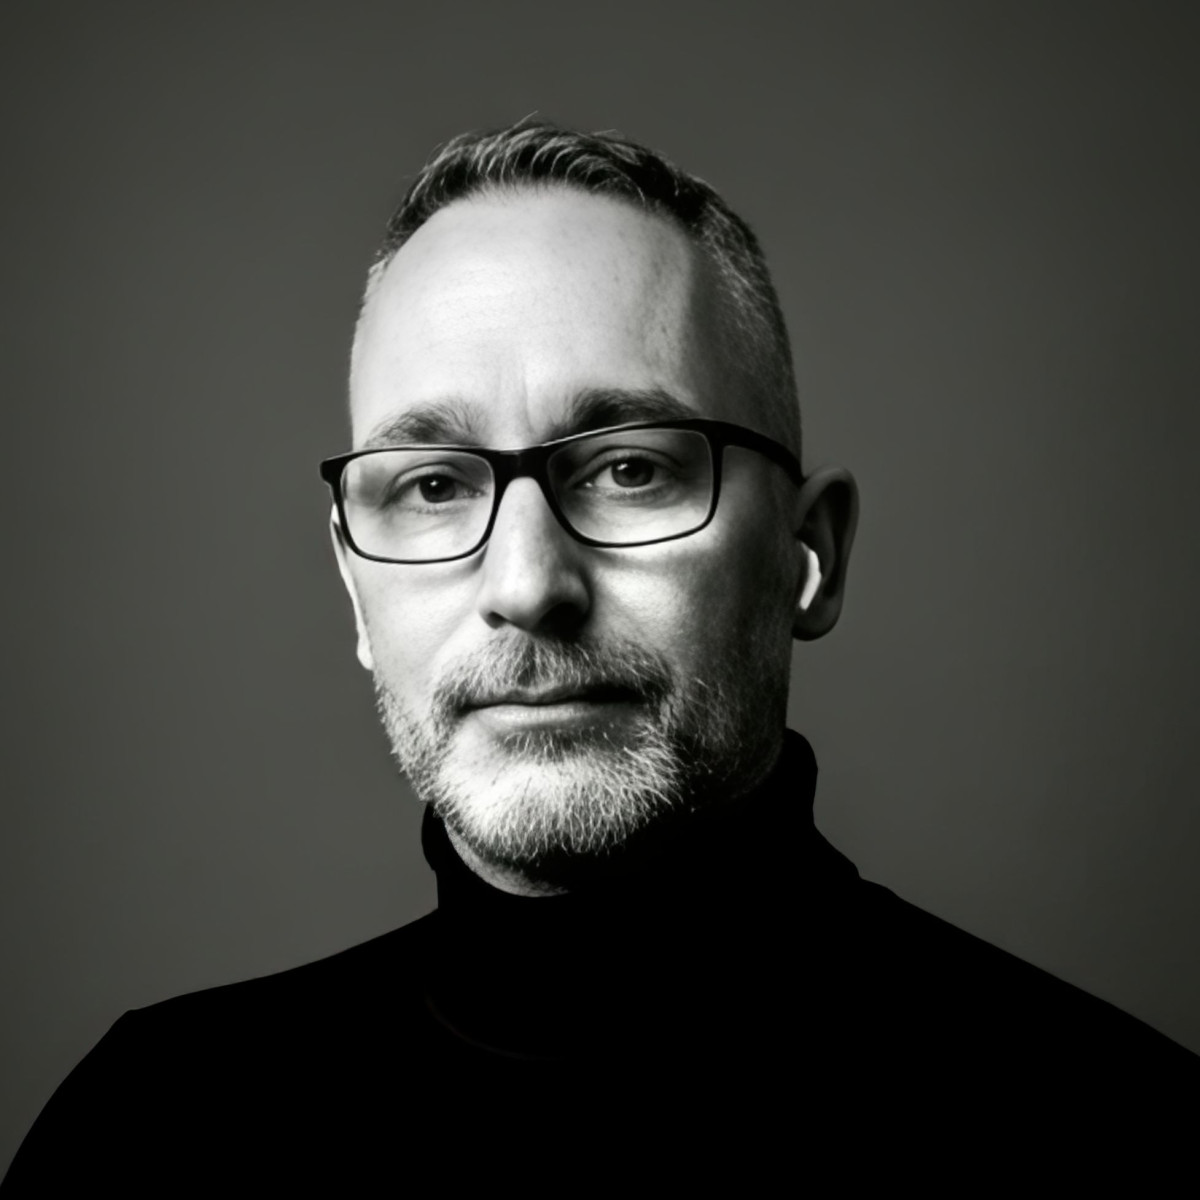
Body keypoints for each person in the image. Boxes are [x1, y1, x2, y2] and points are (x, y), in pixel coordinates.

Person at [4, 121, 1196, 1190]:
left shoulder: (1123, 1134)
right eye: (432, 486)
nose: (528, 586)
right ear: (356, 589)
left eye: (630, 468)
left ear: (809, 555)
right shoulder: (144, 1138)